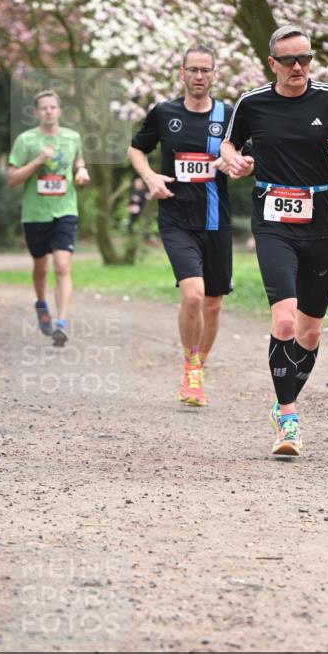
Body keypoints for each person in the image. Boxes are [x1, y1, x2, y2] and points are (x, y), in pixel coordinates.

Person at [220, 24, 328, 457]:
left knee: (310, 331)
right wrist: (235, 162)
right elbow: (228, 146)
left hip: (321, 222)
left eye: (305, 58)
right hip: (272, 222)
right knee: (284, 321)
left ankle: (285, 401)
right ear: (273, 64)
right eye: (290, 60)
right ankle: (288, 417)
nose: (299, 66)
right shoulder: (252, 103)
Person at [127, 44, 235, 407]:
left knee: (214, 304)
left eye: (206, 70)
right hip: (176, 218)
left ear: (215, 74)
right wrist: (149, 176)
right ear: (182, 73)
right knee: (192, 294)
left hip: (216, 220)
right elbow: (136, 149)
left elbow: (247, 155)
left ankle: (197, 373)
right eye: (193, 70)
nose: (199, 77)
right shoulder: (164, 113)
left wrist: (237, 163)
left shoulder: (228, 114)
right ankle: (190, 367)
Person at [7, 89, 90, 347]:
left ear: (59, 110)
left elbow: (78, 160)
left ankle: (61, 324)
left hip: (65, 210)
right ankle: (42, 303)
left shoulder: (72, 137)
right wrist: (38, 160)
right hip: (35, 213)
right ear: (36, 112)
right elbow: (11, 179)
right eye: (43, 108)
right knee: (41, 267)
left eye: (53, 107)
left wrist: (82, 170)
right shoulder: (25, 140)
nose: (48, 111)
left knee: (62, 265)